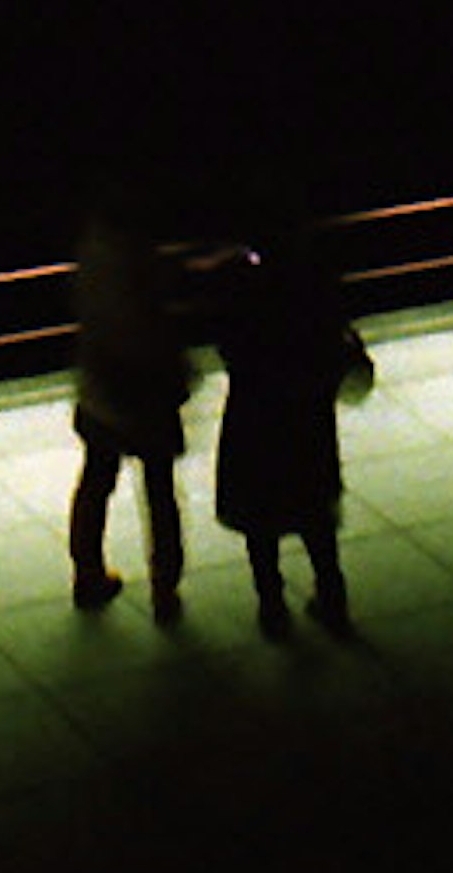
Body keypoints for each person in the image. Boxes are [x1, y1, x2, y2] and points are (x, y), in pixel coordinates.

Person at [208, 222, 373, 636]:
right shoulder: (314, 287)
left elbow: (229, 346)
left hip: (255, 414)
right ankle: (332, 595)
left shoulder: (243, 288)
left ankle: (272, 603)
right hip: (306, 413)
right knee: (314, 508)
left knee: (259, 515)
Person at [66, 197, 194, 616]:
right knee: (159, 490)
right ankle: (165, 587)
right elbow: (154, 320)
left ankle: (87, 573)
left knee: (97, 480)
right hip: (147, 390)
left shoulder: (92, 247)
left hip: (101, 385)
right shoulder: (140, 257)